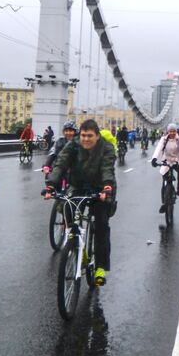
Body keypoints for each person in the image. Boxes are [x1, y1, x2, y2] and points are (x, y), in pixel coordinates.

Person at [44, 119, 116, 287]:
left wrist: (107, 187)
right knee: (67, 207)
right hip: (78, 185)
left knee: (101, 224)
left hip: (101, 188)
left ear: (97, 136)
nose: (85, 139)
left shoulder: (106, 148)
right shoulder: (73, 145)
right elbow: (61, 163)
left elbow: (107, 169)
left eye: (89, 136)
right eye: (83, 135)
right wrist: (51, 185)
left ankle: (100, 267)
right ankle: (76, 243)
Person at [151, 123, 179, 212]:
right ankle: (164, 203)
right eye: (170, 131)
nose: (172, 133)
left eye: (174, 131)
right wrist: (154, 159)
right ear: (168, 131)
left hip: (176, 160)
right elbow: (158, 149)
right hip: (167, 161)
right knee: (164, 182)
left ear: (176, 131)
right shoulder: (164, 139)